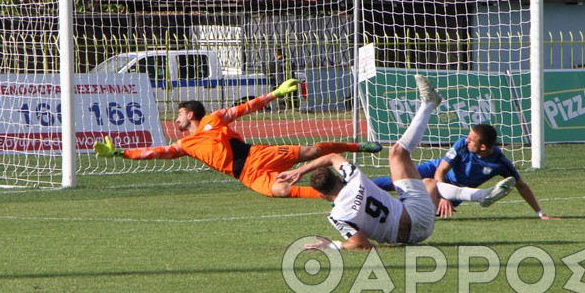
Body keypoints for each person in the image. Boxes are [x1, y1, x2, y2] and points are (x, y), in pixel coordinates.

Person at [93, 79, 382, 199]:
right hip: (246, 176)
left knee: (310, 150)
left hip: (257, 155)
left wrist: (274, 94)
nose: (176, 119)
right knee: (281, 191)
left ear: (191, 114)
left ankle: (357, 146)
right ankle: (344, 193)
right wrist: (120, 153)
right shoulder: (183, 146)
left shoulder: (213, 119)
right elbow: (155, 153)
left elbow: (245, 108)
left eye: (179, 114)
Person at [276, 74, 441, 249]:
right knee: (398, 152)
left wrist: (332, 246)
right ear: (339, 179)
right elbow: (332, 157)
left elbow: (362, 244)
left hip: (410, 237)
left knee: (420, 179)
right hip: (419, 213)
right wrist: (300, 171)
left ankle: (429, 103)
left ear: (322, 195)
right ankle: (429, 103)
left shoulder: (337, 215)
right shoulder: (354, 177)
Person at [372, 124, 559, 219]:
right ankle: (358, 186)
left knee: (425, 213)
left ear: (483, 146)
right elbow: (441, 170)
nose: (466, 140)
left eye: (471, 140)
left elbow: (521, 186)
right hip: (436, 172)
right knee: (396, 182)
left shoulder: (500, 163)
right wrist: (441, 195)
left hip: (458, 190)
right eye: (468, 138)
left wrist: (541, 213)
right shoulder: (462, 144)